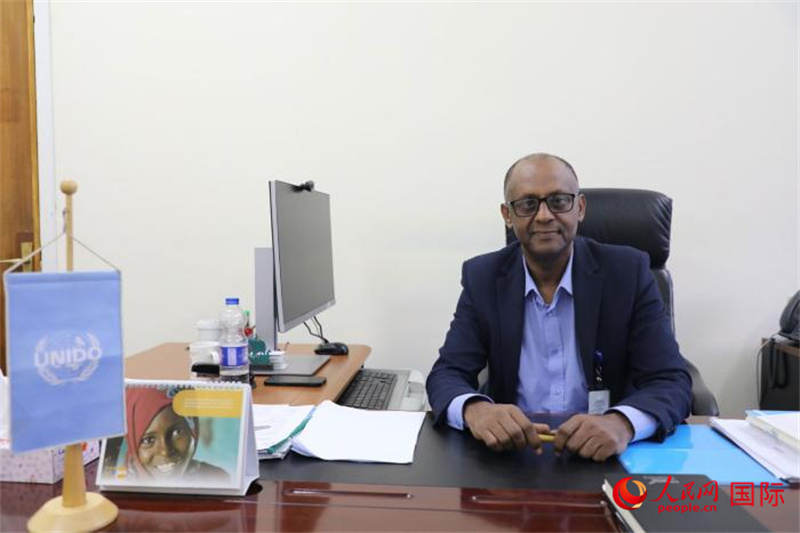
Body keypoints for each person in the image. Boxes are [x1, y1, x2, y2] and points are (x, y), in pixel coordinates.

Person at [426, 153, 691, 462]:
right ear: (508, 215)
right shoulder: (483, 277)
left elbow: (671, 381)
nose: (544, 216)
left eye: (558, 201)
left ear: (580, 208)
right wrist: (476, 410)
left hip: (608, 453)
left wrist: (623, 424)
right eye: (528, 204)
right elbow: (447, 373)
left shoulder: (627, 272)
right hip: (514, 456)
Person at [124, 387, 229, 482]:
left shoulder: (216, 479)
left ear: (193, 430)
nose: (165, 452)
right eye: (148, 440)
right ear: (132, 442)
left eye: (177, 432)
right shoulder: (119, 486)